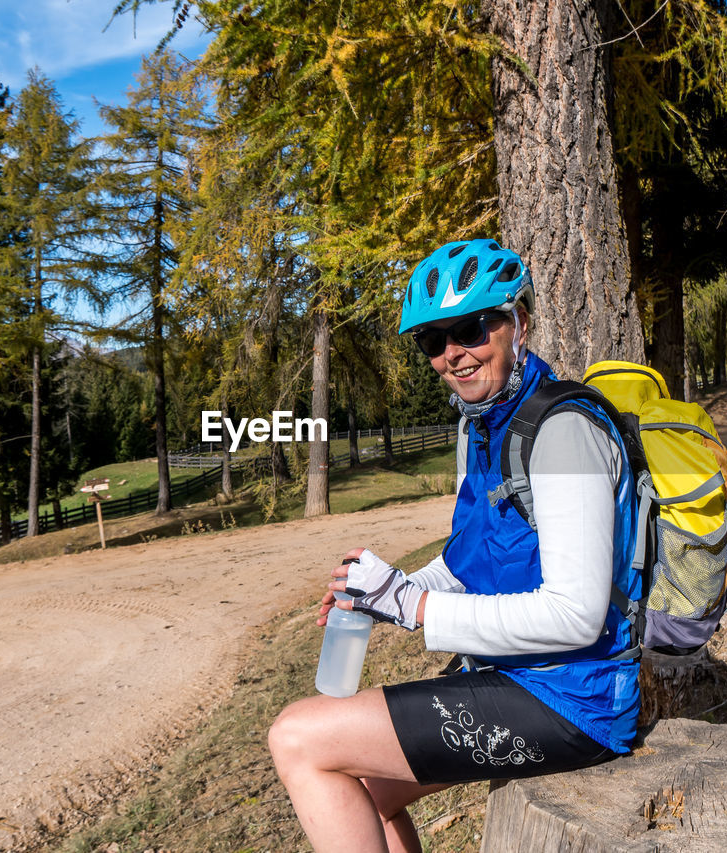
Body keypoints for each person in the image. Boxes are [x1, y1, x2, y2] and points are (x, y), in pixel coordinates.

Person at [267, 239, 641, 852]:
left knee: (297, 737)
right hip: (520, 679)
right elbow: (471, 563)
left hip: (577, 699)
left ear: (518, 322)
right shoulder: (485, 427)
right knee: (361, 786)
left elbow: (576, 615)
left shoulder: (564, 433)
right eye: (432, 342)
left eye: (470, 329)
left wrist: (415, 609)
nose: (452, 355)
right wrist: (387, 592)